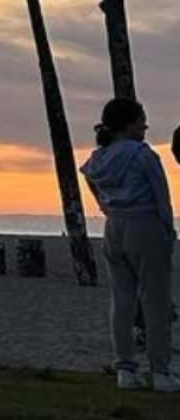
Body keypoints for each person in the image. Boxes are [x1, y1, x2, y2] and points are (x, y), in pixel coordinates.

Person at [83, 97, 177, 393]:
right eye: (140, 120)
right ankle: (160, 371)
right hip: (145, 225)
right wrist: (168, 229)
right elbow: (161, 197)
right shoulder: (143, 156)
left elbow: (87, 174)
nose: (144, 125)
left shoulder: (101, 156)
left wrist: (105, 206)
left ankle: (125, 368)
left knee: (121, 300)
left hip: (115, 227)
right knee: (156, 301)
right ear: (129, 123)